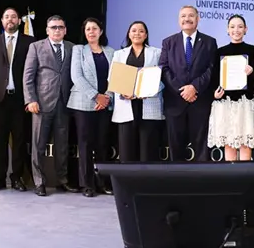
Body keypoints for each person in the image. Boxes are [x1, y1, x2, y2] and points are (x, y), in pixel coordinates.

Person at [0, 7, 35, 192]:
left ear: (19, 20)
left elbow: (34, 73)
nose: (10, 20)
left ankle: (17, 178)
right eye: (6, 17)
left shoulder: (30, 42)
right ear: (2, 21)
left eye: (13, 17)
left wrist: (31, 98)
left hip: (21, 100)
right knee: (0, 141)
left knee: (20, 140)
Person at [23, 15, 79, 196]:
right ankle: (39, 182)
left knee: (62, 146)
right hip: (41, 104)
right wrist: (30, 99)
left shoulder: (72, 48)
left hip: (65, 103)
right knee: (38, 145)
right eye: (53, 27)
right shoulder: (36, 47)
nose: (57, 30)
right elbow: (28, 76)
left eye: (60, 27)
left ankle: (62, 180)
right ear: (47, 30)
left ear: (65, 30)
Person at [159, 5, 218, 162]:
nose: (187, 19)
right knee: (176, 148)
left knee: (201, 148)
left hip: (200, 101)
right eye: (183, 16)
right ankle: (177, 183)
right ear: (179, 20)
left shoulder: (209, 42)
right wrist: (183, 90)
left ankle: (201, 183)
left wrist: (194, 87)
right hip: (175, 102)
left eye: (191, 16)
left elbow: (211, 69)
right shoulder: (168, 42)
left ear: (197, 19)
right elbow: (164, 69)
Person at [67, 17, 115, 197]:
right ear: (84, 32)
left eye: (95, 29)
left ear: (101, 32)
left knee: (103, 144)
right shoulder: (78, 50)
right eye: (88, 29)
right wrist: (96, 96)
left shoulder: (111, 52)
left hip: (105, 105)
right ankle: (87, 184)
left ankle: (103, 183)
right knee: (85, 145)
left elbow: (116, 77)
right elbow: (76, 77)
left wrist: (107, 97)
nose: (91, 32)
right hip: (83, 103)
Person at [207, 15, 254, 162]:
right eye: (232, 27)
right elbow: (213, 78)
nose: (236, 30)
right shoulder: (219, 52)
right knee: (229, 144)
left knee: (245, 144)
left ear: (245, 29)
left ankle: (246, 182)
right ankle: (231, 182)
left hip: (246, 103)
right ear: (227, 30)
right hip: (225, 103)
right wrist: (215, 93)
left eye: (240, 26)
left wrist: (253, 72)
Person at [110, 21, 164, 162]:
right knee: (127, 153)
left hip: (148, 105)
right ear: (129, 34)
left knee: (148, 152)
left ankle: (149, 184)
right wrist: (123, 91)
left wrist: (147, 91)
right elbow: (113, 78)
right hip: (126, 106)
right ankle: (128, 184)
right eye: (134, 31)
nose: (137, 34)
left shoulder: (157, 53)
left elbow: (163, 80)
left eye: (141, 31)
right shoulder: (118, 54)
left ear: (146, 35)